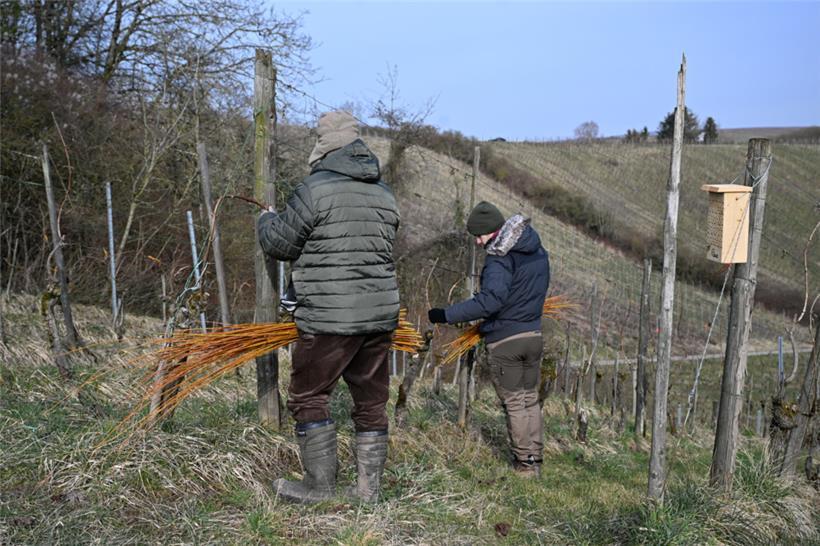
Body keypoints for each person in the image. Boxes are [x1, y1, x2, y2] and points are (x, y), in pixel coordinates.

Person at [257, 111, 400, 503]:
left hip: (329, 318)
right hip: (380, 316)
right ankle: (368, 491)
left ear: (322, 145)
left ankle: (319, 487)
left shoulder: (314, 189)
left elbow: (281, 245)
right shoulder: (384, 193)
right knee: (370, 403)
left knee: (308, 396)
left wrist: (265, 221)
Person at [428, 201, 550, 477]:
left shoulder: (499, 257)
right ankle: (536, 460)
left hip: (507, 341)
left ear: (491, 231)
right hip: (533, 336)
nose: (477, 240)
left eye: (479, 235)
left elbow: (489, 301)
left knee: (515, 403)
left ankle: (525, 465)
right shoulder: (537, 251)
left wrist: (445, 314)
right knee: (530, 399)